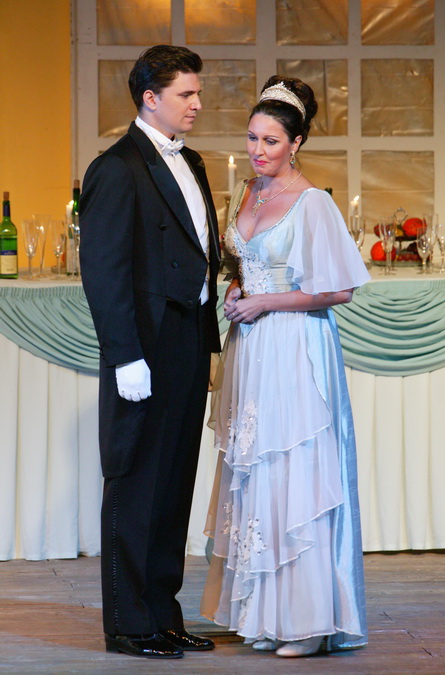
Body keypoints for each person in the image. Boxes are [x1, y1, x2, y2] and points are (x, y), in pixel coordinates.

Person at [200, 76, 370, 658]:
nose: (257, 150)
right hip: (251, 348)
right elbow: (245, 264)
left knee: (294, 467)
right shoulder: (248, 191)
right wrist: (237, 290)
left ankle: (310, 621)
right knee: (257, 470)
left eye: (270, 141)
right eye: (252, 137)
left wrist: (264, 301)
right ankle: (264, 614)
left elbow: (339, 290)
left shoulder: (312, 201)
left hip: (295, 346)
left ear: (296, 143)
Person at [79, 45, 221, 660]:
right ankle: (129, 625)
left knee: (174, 483)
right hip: (143, 346)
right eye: (186, 93)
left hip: (186, 340)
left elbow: (202, 255)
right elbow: (103, 271)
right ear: (150, 98)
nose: (197, 103)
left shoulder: (193, 160)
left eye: (197, 92)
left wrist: (209, 340)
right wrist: (125, 356)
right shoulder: (116, 167)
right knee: (136, 481)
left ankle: (163, 614)